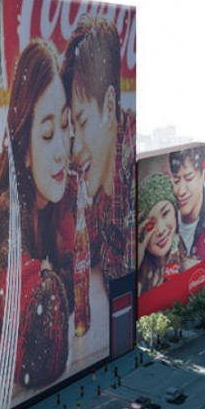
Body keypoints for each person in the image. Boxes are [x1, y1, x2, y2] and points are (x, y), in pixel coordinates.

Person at [0, 39, 75, 409]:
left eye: (66, 126)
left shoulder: (59, 205)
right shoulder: (3, 214)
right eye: (48, 133)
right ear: (23, 148)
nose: (62, 150)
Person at [61, 15, 136, 295]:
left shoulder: (131, 156)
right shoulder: (97, 186)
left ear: (108, 105)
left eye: (81, 122)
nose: (75, 148)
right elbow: (79, 258)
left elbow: (126, 287)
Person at [137, 173, 197, 295]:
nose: (161, 230)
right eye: (150, 224)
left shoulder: (192, 267)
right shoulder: (139, 282)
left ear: (175, 213)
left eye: (165, 213)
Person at [169, 145, 205, 261]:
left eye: (189, 178)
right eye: (176, 180)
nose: (181, 191)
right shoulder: (165, 215)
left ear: (203, 175)